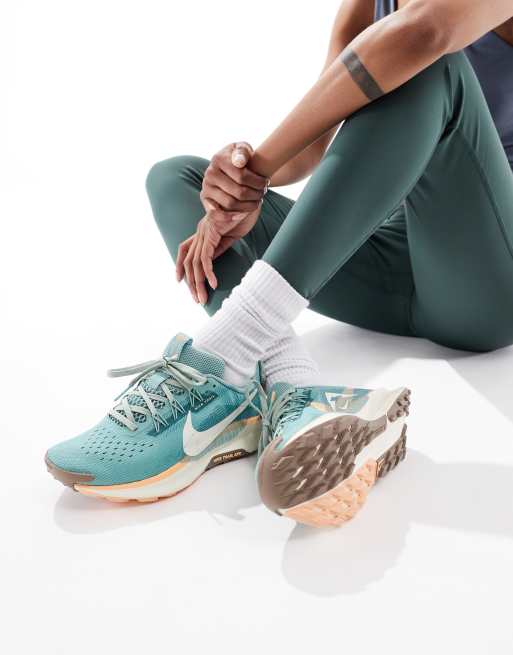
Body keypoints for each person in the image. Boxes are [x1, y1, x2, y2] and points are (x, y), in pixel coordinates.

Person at [46, 0, 513, 528]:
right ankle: (294, 394)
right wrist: (239, 178)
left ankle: (223, 353)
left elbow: (426, 33)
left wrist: (260, 171)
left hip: (490, 278)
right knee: (177, 179)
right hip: (386, 261)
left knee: (428, 67)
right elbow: (315, 142)